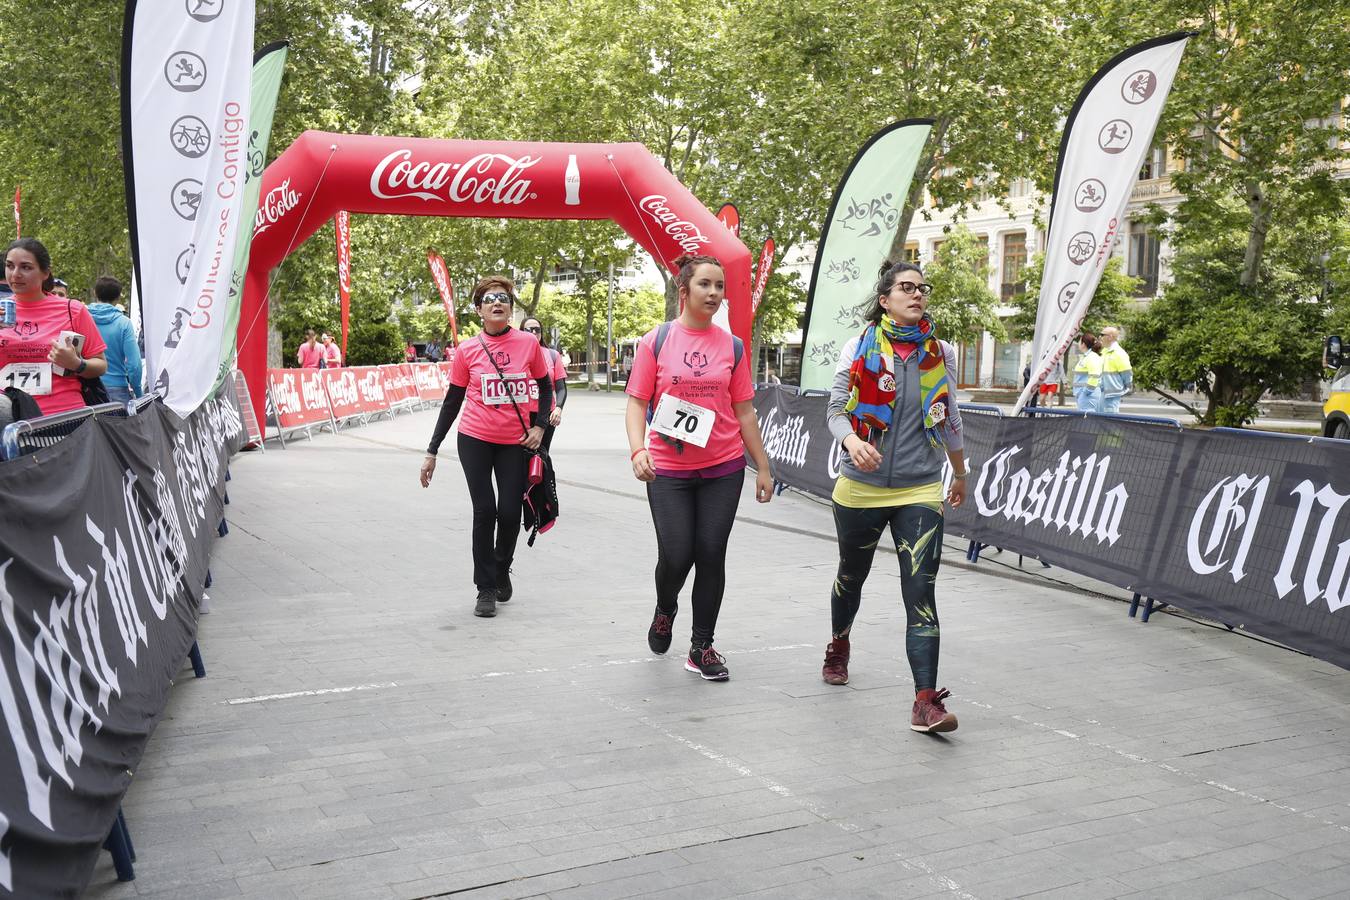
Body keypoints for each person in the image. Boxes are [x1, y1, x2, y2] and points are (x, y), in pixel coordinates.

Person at [822, 260, 968, 734]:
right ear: (885, 299)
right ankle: (839, 641)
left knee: (920, 590)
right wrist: (850, 440)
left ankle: (925, 700)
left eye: (922, 288)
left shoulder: (940, 351)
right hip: (860, 489)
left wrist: (960, 472)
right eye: (906, 287)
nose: (917, 294)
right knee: (852, 575)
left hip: (921, 487)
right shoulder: (858, 346)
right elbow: (834, 409)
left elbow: (949, 416)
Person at [625, 254, 774, 682]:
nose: (713, 293)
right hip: (668, 469)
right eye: (705, 285)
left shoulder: (732, 346)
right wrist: (638, 451)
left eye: (719, 286)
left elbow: (745, 412)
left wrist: (761, 468)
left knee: (710, 553)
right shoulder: (656, 341)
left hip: (722, 467)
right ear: (684, 290)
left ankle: (701, 646)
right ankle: (665, 607)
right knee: (676, 554)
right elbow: (636, 402)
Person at [419, 277, 552, 618]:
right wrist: (432, 451)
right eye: (490, 299)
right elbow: (452, 402)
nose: (498, 303)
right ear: (478, 310)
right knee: (485, 511)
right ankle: (486, 588)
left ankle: (501, 565)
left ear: (510, 308)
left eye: (504, 299)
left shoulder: (527, 344)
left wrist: (539, 426)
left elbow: (545, 385)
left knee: (509, 513)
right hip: (475, 439)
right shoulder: (467, 350)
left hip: (515, 442)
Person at [0, 239, 108, 415]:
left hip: (63, 419)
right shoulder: (2, 309)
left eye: (26, 267)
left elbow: (101, 365)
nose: (15, 274)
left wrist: (76, 364)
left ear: (45, 273)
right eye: (10, 266)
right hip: (8, 419)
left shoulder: (73, 309)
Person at [88, 275, 142, 404]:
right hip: (118, 391)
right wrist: (138, 392)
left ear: (95, 293)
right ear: (118, 298)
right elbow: (134, 365)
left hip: (88, 389)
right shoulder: (124, 323)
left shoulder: (83, 318)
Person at [521, 316, 567, 452]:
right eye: (529, 330)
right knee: (520, 456)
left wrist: (558, 408)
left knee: (541, 454)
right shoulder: (516, 354)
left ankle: (543, 473)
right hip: (521, 414)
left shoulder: (552, 355)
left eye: (537, 330)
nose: (534, 333)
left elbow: (561, 388)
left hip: (545, 413)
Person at [1099, 326, 1132, 414]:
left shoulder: (1120, 353)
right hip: (1101, 394)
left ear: (1110, 337)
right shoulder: (1103, 352)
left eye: (1102, 335)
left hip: (1111, 396)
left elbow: (1127, 374)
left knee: (1109, 424)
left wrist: (1123, 389)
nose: (1099, 337)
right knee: (1099, 424)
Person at [1073, 332, 1104, 412]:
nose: (1078, 343)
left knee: (1087, 419)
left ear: (1083, 344)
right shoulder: (1087, 357)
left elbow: (1094, 376)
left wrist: (1086, 392)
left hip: (1088, 395)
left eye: (1080, 341)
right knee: (1085, 419)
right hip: (1085, 394)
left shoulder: (1092, 357)